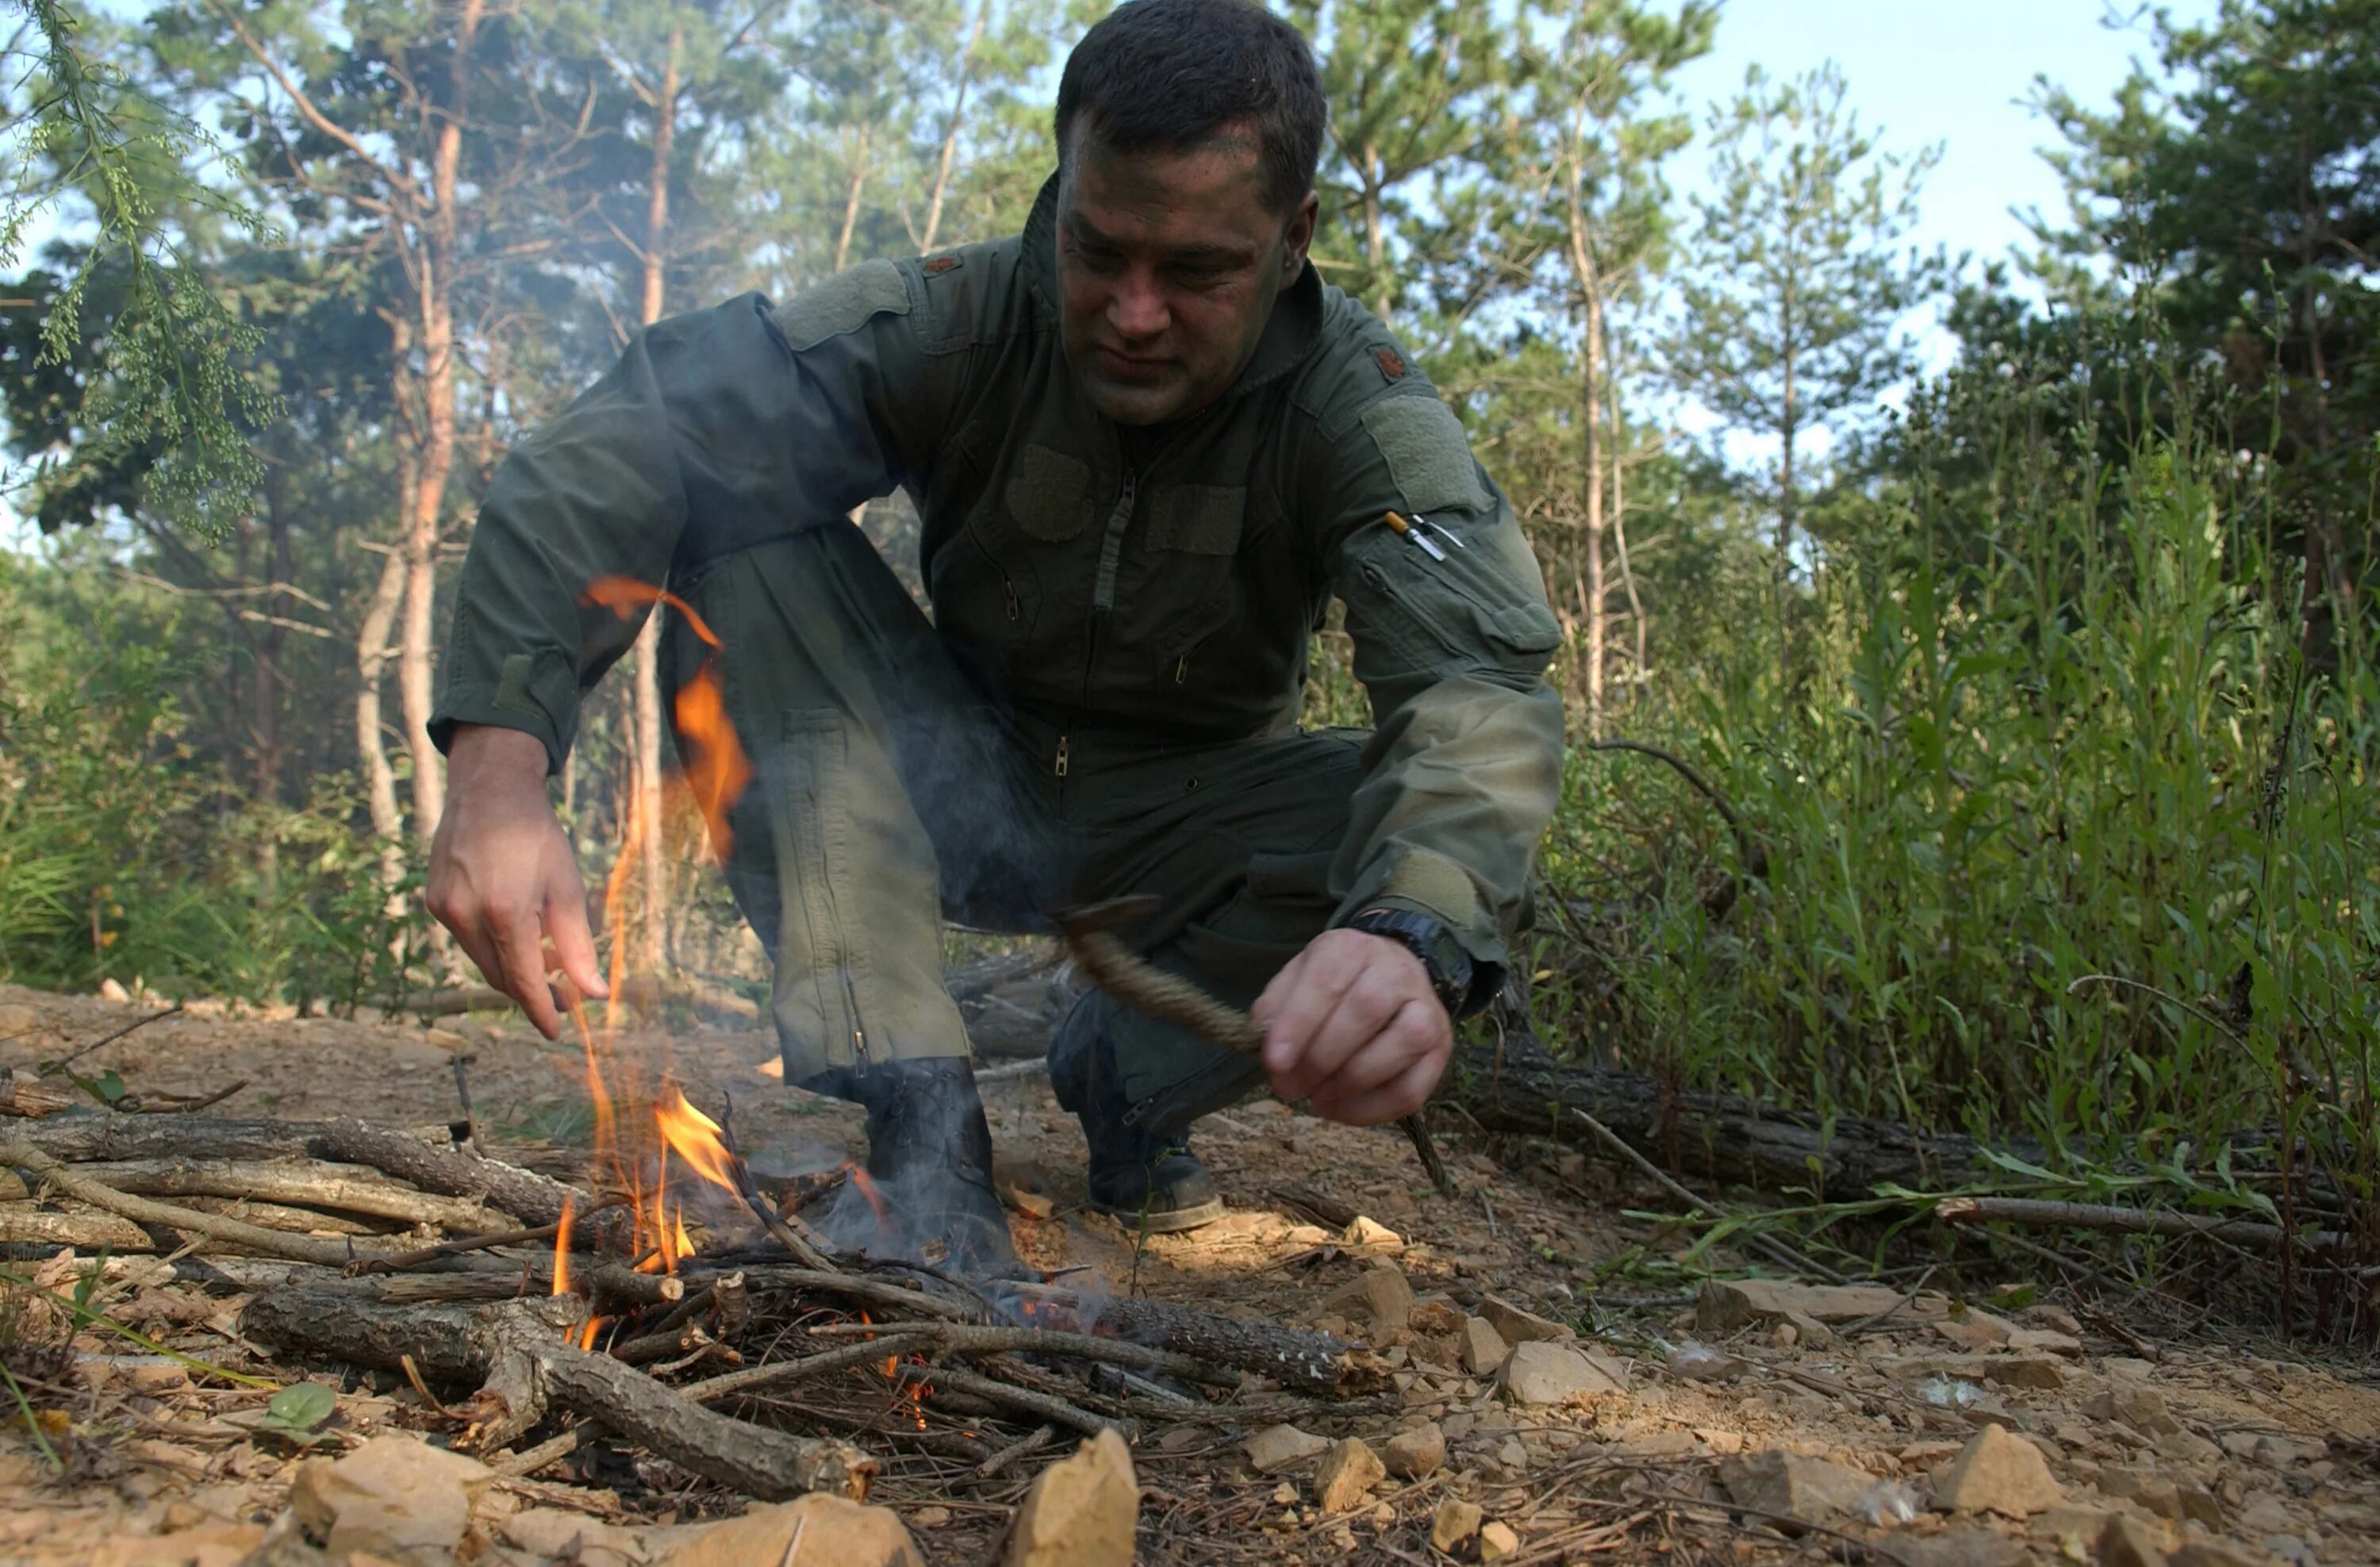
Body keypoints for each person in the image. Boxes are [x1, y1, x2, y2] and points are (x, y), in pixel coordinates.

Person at [424, 0, 1564, 1274]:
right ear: (1059, 193)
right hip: (939, 779)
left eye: (1196, 273)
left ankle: (1130, 1083)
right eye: (1098, 250)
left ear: (1293, 240)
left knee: (1443, 855)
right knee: (738, 536)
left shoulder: (1360, 408)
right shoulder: (958, 319)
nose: (1133, 314)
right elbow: (644, 428)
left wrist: (1408, 937)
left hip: (1179, 838)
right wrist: (499, 766)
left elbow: (1477, 683)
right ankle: (919, 1119)